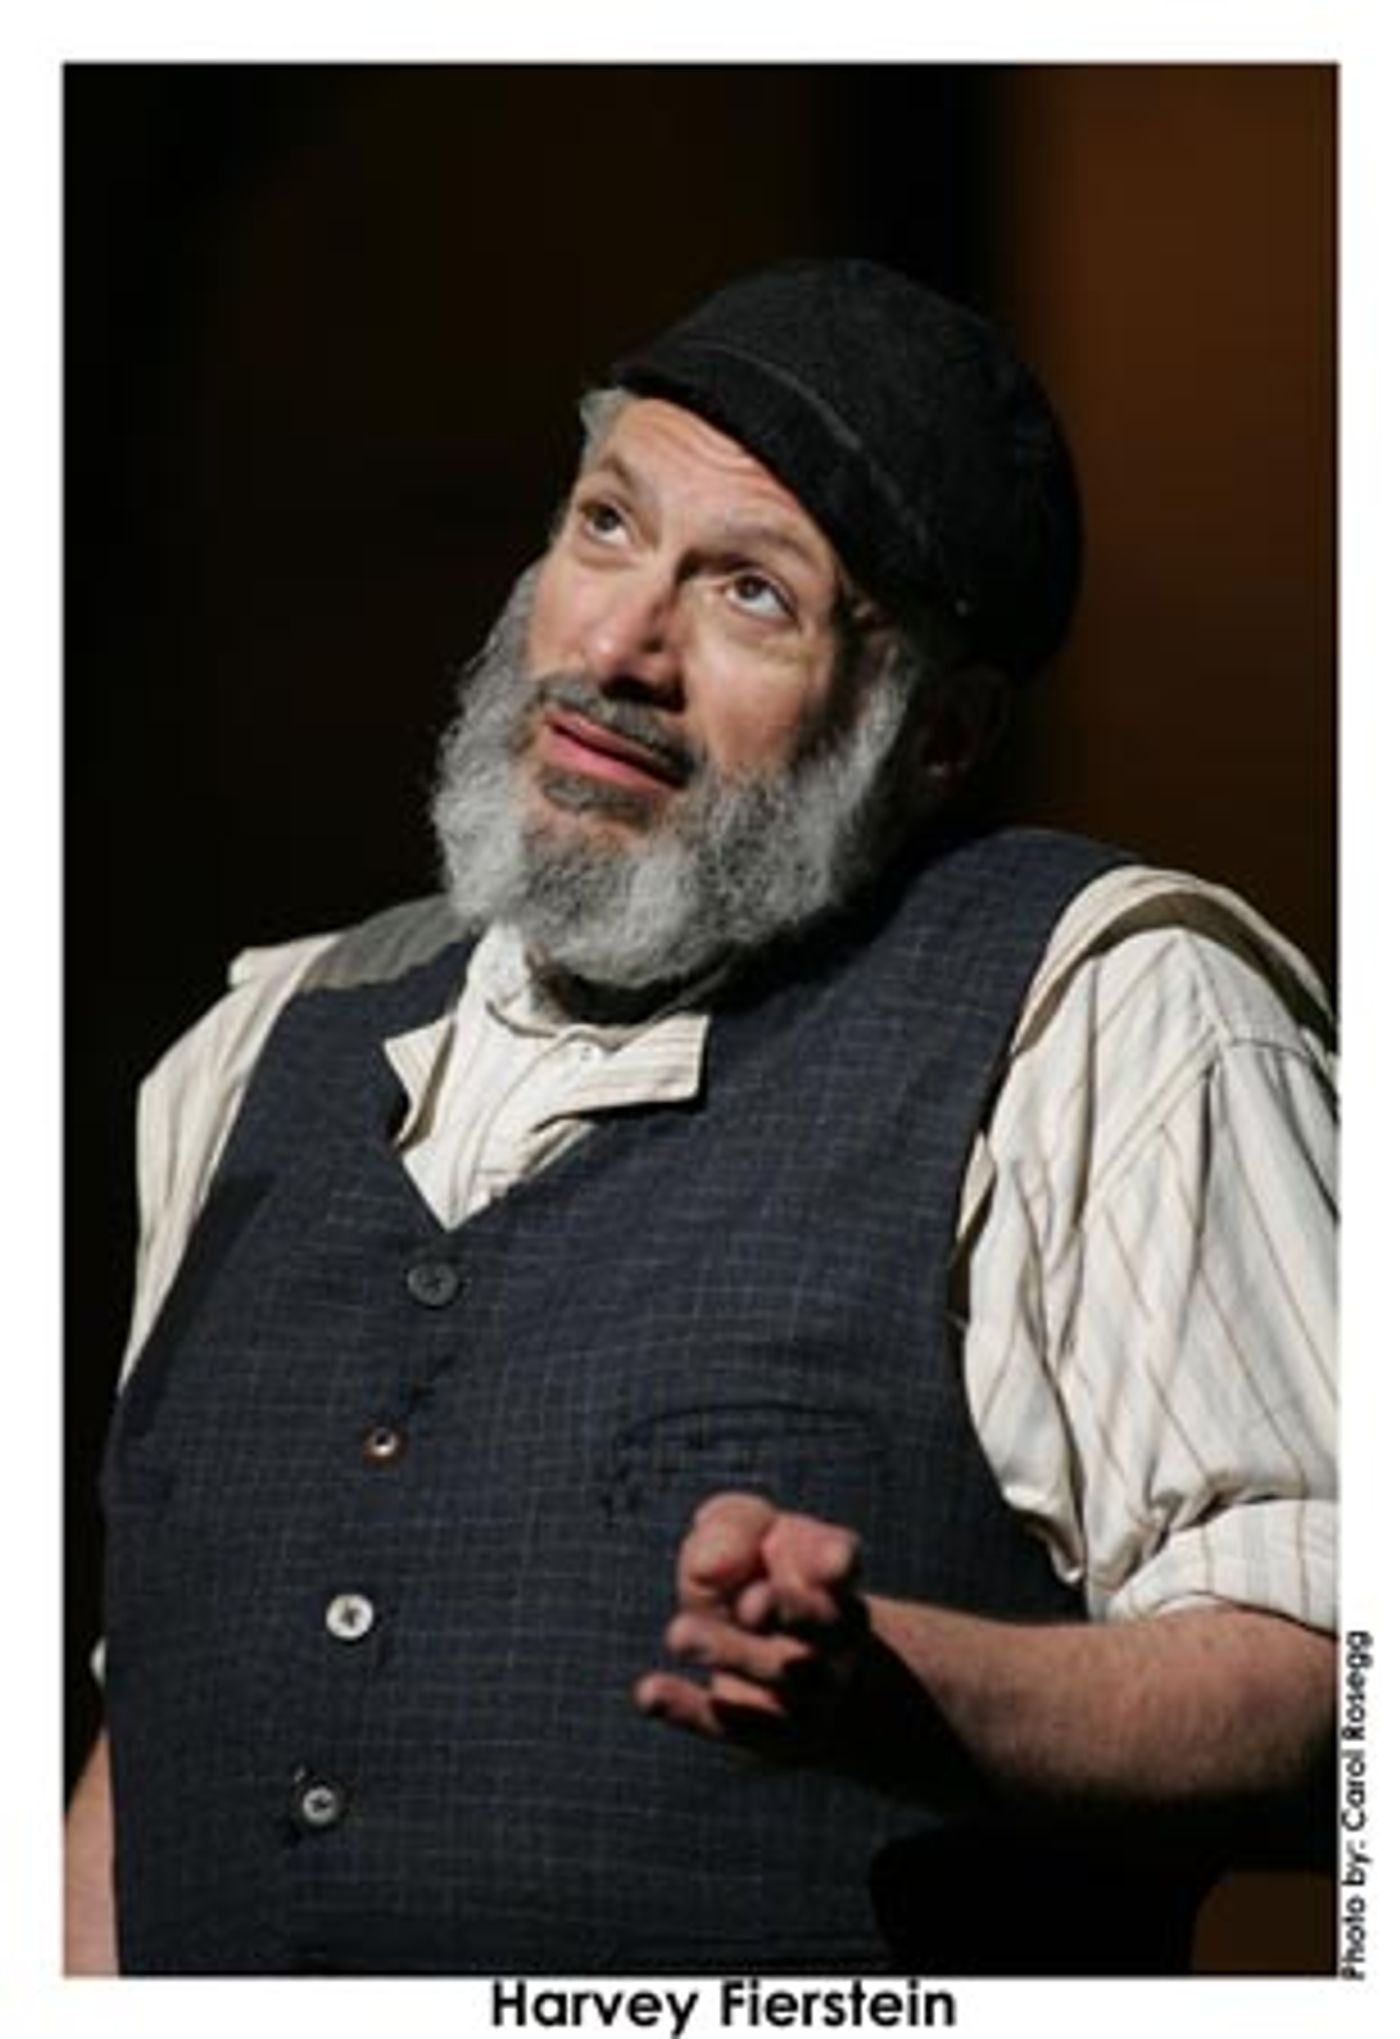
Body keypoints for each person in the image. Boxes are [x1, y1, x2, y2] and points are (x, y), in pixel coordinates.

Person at [65, 259, 1337, 1977]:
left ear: (940, 735)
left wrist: (918, 1695)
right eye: (606, 526)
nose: (617, 650)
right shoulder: (258, 1049)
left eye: (752, 593)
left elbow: (1347, 1690)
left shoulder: (1100, 1012)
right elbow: (161, 1741)